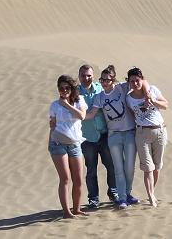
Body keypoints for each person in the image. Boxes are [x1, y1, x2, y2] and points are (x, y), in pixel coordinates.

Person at [84, 65, 140, 209]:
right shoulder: (100, 97)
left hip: (129, 133)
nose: (103, 82)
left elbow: (139, 82)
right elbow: (90, 114)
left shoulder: (122, 88)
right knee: (118, 168)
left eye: (107, 80)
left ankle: (128, 193)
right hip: (113, 135)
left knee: (129, 167)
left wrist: (149, 94)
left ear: (113, 80)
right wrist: (74, 115)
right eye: (101, 80)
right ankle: (122, 198)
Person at [126, 67, 169, 207]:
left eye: (137, 80)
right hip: (142, 133)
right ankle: (150, 197)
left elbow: (166, 105)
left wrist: (152, 101)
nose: (135, 83)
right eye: (132, 81)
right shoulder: (129, 98)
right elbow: (133, 115)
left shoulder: (153, 90)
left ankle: (153, 192)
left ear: (141, 79)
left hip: (160, 131)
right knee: (148, 167)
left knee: (157, 167)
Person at [78, 64, 118, 208]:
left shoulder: (101, 88)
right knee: (91, 170)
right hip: (87, 138)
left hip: (105, 135)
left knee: (111, 166)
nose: (86, 78)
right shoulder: (75, 93)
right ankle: (93, 199)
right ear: (79, 76)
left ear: (93, 76)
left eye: (89, 75)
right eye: (83, 75)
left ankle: (113, 192)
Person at [48, 75, 88, 218]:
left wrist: (66, 105)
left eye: (67, 88)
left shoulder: (79, 101)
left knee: (78, 179)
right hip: (58, 143)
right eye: (61, 88)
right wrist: (49, 142)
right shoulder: (54, 105)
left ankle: (77, 208)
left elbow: (82, 116)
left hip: (75, 144)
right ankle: (67, 212)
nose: (64, 91)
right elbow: (52, 125)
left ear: (72, 89)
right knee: (65, 178)